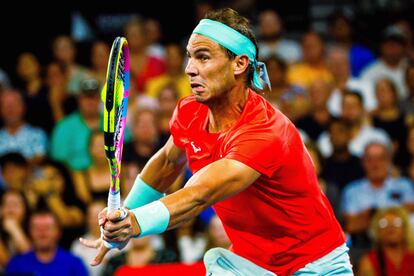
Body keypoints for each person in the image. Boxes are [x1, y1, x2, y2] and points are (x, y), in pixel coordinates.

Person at [81, 8, 351, 276]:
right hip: (252, 264)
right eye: (190, 57)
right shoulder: (190, 111)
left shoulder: (265, 132)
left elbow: (199, 196)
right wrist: (124, 215)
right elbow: (166, 164)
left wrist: (135, 222)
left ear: (239, 64)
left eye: (203, 57)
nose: (189, 69)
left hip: (315, 265)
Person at [357, 207, 414, 276]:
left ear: (405, 228)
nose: (391, 227)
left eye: (396, 222)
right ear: (377, 230)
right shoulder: (369, 262)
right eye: (383, 224)